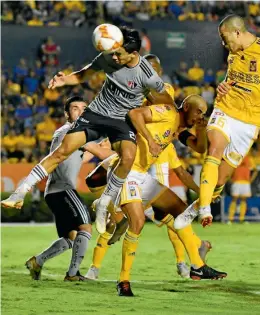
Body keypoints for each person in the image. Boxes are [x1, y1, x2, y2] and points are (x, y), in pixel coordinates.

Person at [2, 27, 174, 236]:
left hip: (121, 120)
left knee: (128, 157)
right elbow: (85, 74)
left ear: (134, 53)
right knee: (61, 151)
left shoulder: (148, 76)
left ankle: (105, 202)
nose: (115, 57)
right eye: (114, 52)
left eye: (120, 53)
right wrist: (64, 79)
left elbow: (167, 101)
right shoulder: (108, 57)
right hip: (96, 113)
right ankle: (20, 192)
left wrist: (147, 105)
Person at [174, 14, 260, 229]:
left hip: (250, 122)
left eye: (225, 38)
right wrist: (223, 86)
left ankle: (197, 205)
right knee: (214, 149)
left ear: (238, 33)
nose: (223, 43)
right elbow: (231, 79)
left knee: (221, 179)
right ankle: (205, 207)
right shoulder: (233, 54)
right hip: (226, 108)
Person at [111, 95, 227, 296]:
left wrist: (203, 193)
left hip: (141, 176)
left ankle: (197, 265)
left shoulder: (179, 129)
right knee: (137, 222)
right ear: (186, 107)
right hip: (126, 172)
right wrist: (149, 139)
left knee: (180, 210)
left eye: (203, 113)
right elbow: (134, 114)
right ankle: (123, 281)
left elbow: (199, 148)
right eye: (198, 111)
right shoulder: (167, 112)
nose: (200, 115)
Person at [25, 96, 114, 281]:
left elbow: (85, 155)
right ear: (67, 114)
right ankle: (73, 274)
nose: (81, 111)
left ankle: (37, 262)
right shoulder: (74, 131)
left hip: (54, 191)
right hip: (63, 189)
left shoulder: (67, 134)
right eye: (75, 108)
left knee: (72, 237)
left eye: (84, 108)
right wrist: (125, 150)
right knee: (86, 228)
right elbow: (101, 153)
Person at [227, 154, 257, 224]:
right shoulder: (234, 157)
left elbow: (255, 170)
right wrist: (229, 178)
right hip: (236, 181)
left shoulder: (249, 158)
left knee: (243, 200)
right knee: (234, 199)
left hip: (245, 182)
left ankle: (242, 219)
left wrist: (251, 180)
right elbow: (229, 168)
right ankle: (230, 219)